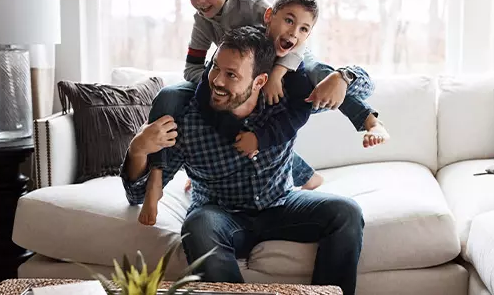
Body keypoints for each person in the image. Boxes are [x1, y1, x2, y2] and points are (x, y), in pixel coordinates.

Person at [121, 26, 364, 295]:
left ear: (260, 81)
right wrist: (137, 150)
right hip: (221, 214)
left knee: (347, 211)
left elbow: (364, 90)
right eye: (215, 68)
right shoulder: (188, 120)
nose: (217, 81)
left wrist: (344, 77)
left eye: (231, 75)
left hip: (281, 203)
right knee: (198, 226)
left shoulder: (284, 102)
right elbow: (137, 195)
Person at [146, 0, 389, 196]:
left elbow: (292, 37)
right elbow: (192, 68)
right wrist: (219, 81)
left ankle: (369, 121)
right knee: (174, 96)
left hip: (288, 63)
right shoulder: (202, 21)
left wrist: (277, 74)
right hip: (244, 82)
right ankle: (176, 174)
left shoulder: (254, 8)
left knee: (320, 76)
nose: (199, 1)